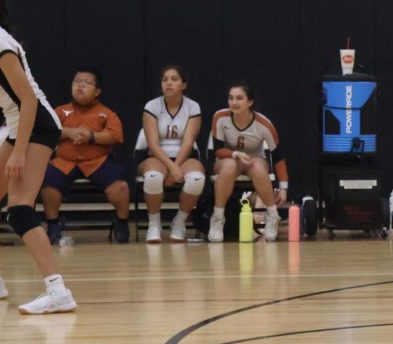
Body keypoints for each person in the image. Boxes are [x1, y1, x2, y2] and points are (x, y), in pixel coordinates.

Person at [0, 0, 78, 314]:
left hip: (37, 127)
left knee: (20, 210)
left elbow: (28, 101)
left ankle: (58, 291)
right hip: (19, 128)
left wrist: (18, 150)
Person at [41, 67, 131, 244]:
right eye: (76, 82)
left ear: (97, 91)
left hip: (97, 161)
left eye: (86, 83)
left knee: (120, 187)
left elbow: (115, 136)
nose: (80, 86)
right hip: (65, 161)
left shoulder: (107, 113)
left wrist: (91, 136)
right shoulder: (59, 111)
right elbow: (47, 131)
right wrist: (68, 133)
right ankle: (53, 224)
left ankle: (122, 222)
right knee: (48, 184)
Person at [207, 84, 289, 242]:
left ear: (250, 102)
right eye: (231, 98)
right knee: (230, 165)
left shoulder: (264, 124)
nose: (234, 102)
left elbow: (278, 157)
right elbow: (217, 151)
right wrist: (234, 154)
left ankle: (272, 215)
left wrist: (284, 188)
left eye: (239, 98)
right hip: (227, 159)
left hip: (253, 159)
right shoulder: (220, 117)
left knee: (256, 166)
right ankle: (217, 218)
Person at [137, 66, 206, 243]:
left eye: (174, 79)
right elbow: (152, 143)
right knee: (153, 176)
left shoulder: (193, 106)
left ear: (184, 84)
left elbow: (188, 141)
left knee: (197, 178)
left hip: (185, 155)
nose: (168, 83)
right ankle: (154, 224)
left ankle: (179, 222)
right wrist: (171, 167)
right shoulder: (152, 106)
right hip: (156, 156)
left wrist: (176, 167)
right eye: (165, 79)